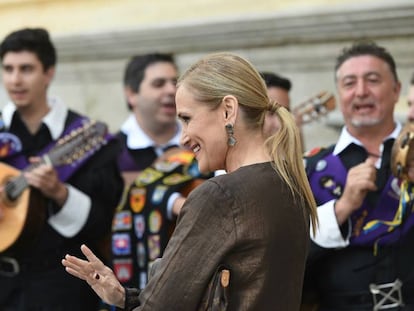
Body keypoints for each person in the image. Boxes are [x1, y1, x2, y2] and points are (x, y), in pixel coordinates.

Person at [62, 52, 318, 310]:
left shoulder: (220, 196)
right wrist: (124, 297)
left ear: (228, 110)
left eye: (186, 118)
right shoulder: (290, 185)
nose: (183, 138)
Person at [0, 28, 124, 310]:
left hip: (60, 289)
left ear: (49, 73)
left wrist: (59, 192)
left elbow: (103, 221)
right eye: (8, 69)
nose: (15, 79)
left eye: (26, 69)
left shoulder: (87, 137)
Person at [301, 41, 414, 310]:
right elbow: (288, 263)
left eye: (373, 80)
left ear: (396, 89)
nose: (361, 92)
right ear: (340, 95)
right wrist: (340, 210)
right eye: (350, 83)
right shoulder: (309, 169)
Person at [109, 53, 211, 297]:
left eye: (174, 83)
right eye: (158, 84)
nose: (170, 91)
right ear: (131, 94)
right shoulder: (110, 152)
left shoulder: (204, 146)